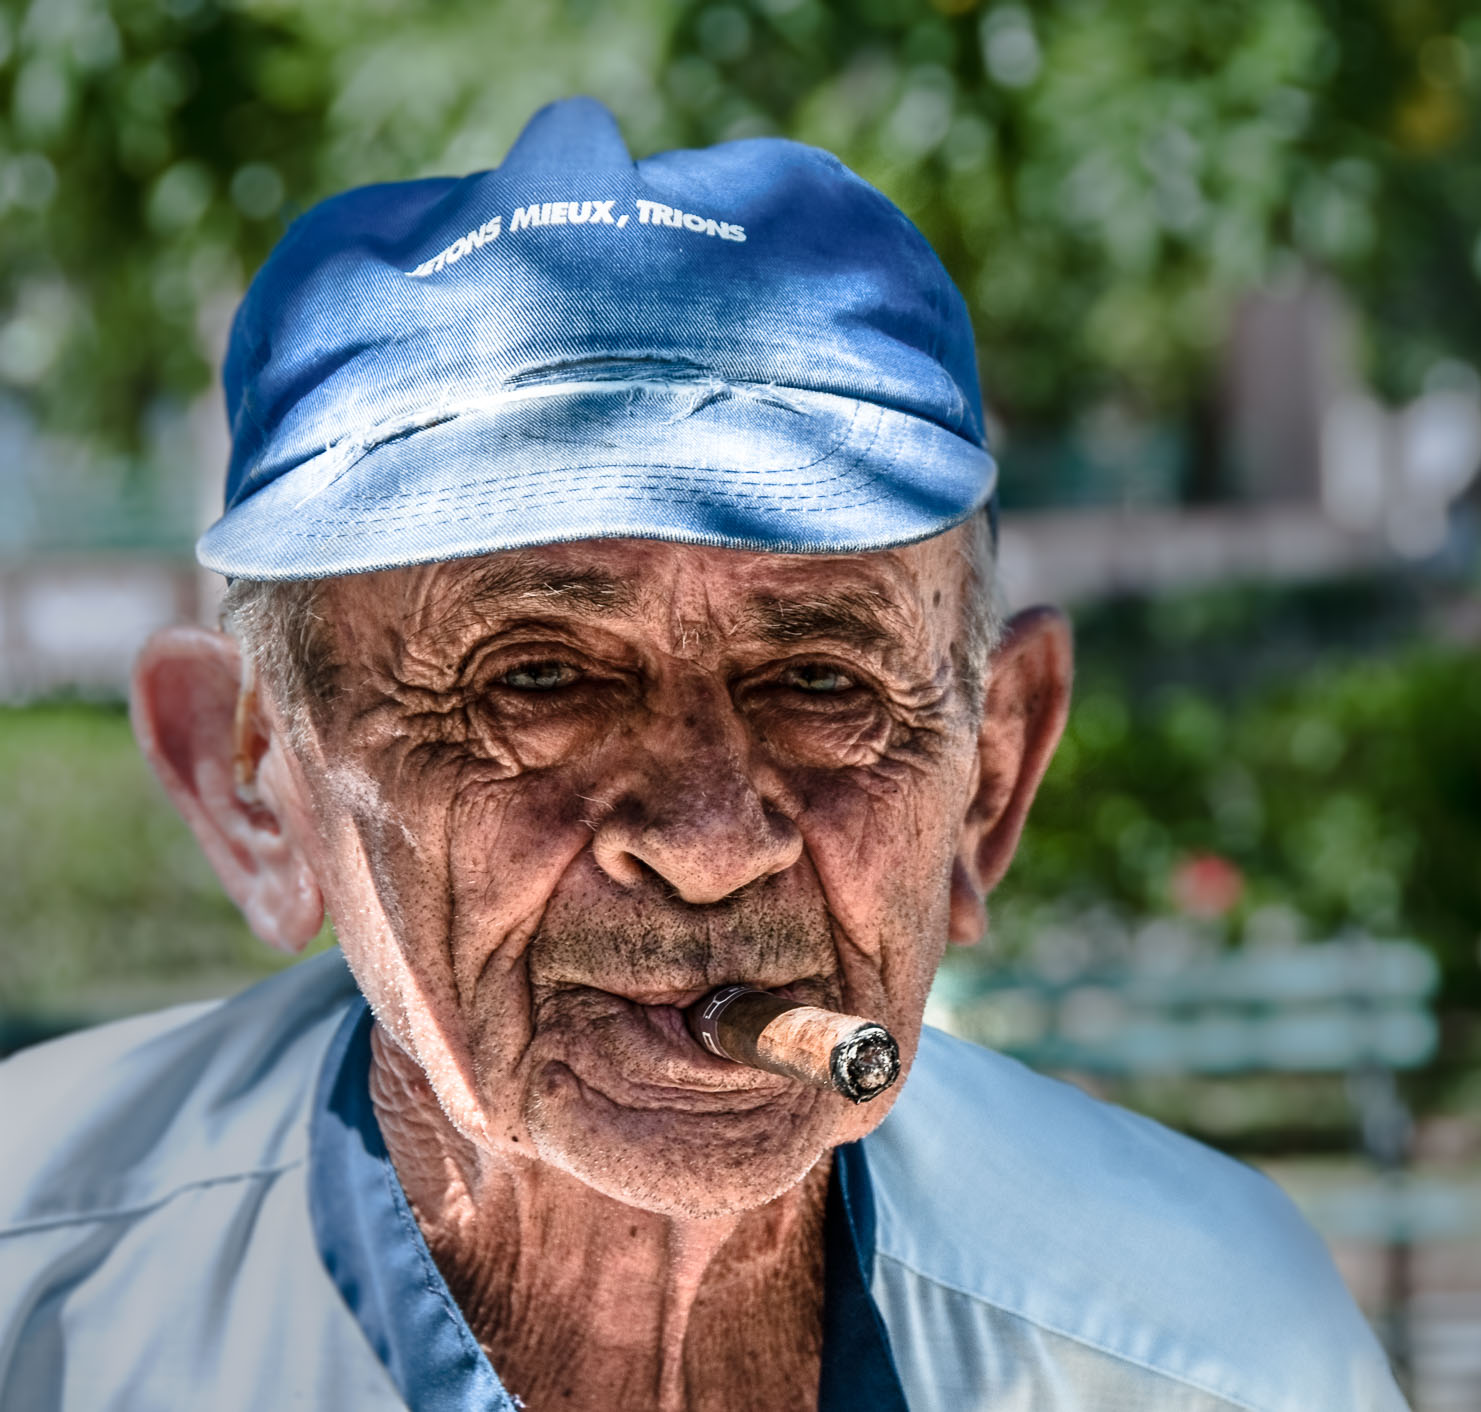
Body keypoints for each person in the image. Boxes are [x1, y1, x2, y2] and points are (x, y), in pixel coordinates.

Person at [0, 98, 1406, 1411]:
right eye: (536, 680)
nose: (712, 840)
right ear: (253, 784)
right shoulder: (38, 1310)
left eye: (820, 679)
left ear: (989, 777)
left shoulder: (1205, 1354)